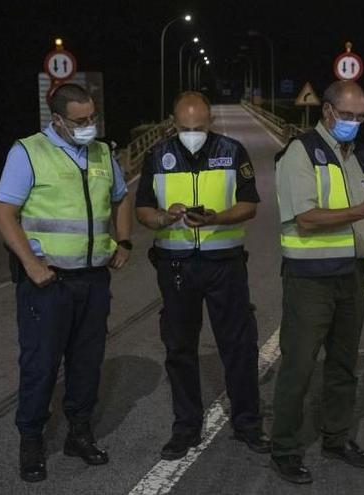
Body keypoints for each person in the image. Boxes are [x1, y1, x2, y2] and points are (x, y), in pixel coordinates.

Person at [0, 83, 132, 482]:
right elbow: (4, 213)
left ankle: (79, 434)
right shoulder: (28, 152)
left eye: (93, 118)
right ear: (56, 120)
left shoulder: (102, 152)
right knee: (40, 365)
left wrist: (123, 241)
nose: (89, 125)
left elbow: (121, 198)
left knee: (87, 364)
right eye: (80, 120)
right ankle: (32, 440)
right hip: (48, 283)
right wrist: (32, 266)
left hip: (93, 279)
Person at [271, 80, 364, 484]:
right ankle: (285, 448)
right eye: (347, 116)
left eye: (361, 116)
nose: (355, 123)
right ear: (326, 112)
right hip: (310, 280)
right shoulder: (300, 153)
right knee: (298, 365)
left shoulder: (361, 156)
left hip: (352, 276)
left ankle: (336, 437)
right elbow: (305, 219)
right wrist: (363, 208)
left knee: (344, 364)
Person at [134, 91, 269, 460]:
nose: (192, 133)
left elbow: (249, 205)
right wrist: (163, 217)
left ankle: (248, 424)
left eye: (199, 126)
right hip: (175, 265)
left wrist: (216, 218)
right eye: (185, 127)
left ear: (210, 121)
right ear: (173, 124)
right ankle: (186, 428)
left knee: (239, 347)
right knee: (179, 349)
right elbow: (143, 209)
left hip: (224, 263)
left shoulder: (232, 150)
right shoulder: (157, 155)